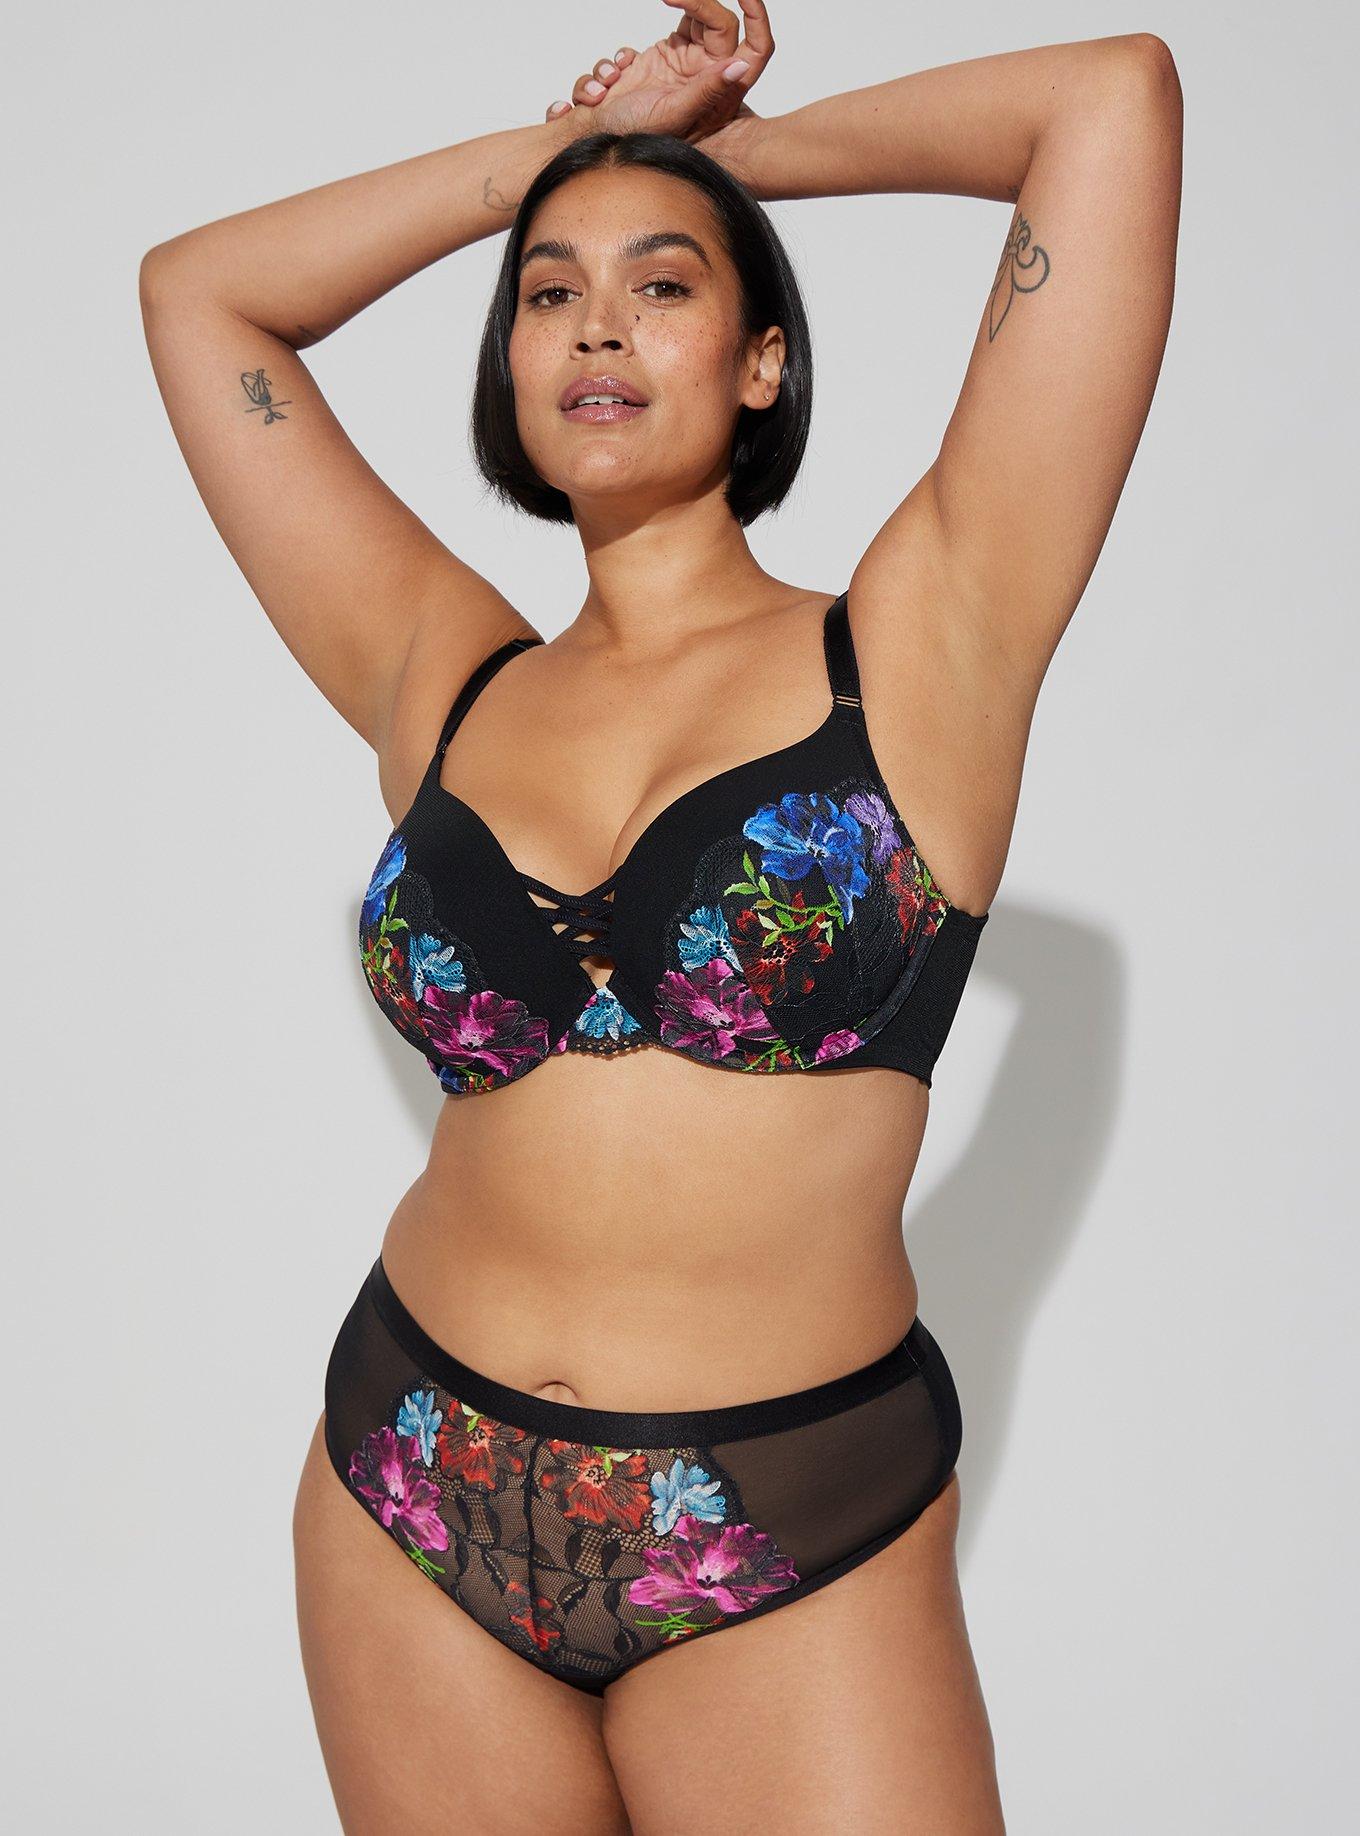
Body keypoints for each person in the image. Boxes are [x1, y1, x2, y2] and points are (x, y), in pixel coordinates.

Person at [139, 5, 1181, 1828]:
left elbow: (1111, 98)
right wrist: (573, 160)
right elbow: (199, 294)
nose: (598, 325)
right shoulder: (443, 669)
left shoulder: (923, 639)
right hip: (410, 1485)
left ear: (764, 360)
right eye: (550, 293)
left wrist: (721, 157)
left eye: (665, 285)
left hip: (788, 1522)